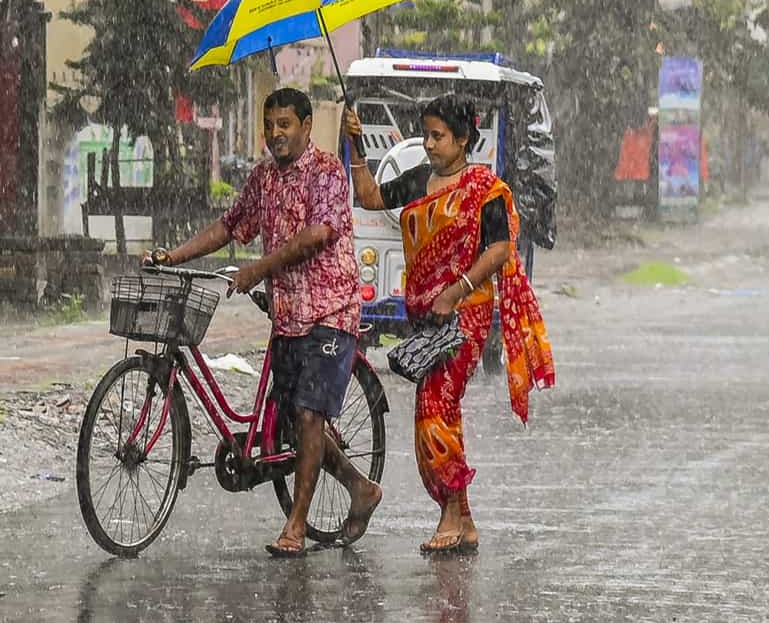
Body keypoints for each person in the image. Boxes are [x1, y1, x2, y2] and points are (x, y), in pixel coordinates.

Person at [145, 87, 383, 557]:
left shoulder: (327, 172)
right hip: (286, 314)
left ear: (307, 125)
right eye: (269, 125)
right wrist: (174, 255)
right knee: (296, 423)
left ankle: (295, 526)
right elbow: (229, 226)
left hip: (330, 311)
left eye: (285, 124)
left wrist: (258, 268)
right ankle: (361, 487)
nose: (276, 134)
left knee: (311, 414)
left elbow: (317, 235)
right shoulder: (264, 179)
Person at [345, 94, 555, 554]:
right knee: (439, 408)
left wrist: (456, 289)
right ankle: (465, 518)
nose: (429, 143)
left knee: (435, 407)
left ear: (463, 139)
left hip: (467, 311)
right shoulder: (421, 179)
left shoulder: (485, 188)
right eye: (427, 134)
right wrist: (356, 146)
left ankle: (448, 514)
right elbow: (370, 197)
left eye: (438, 136)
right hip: (426, 315)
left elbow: (499, 251)